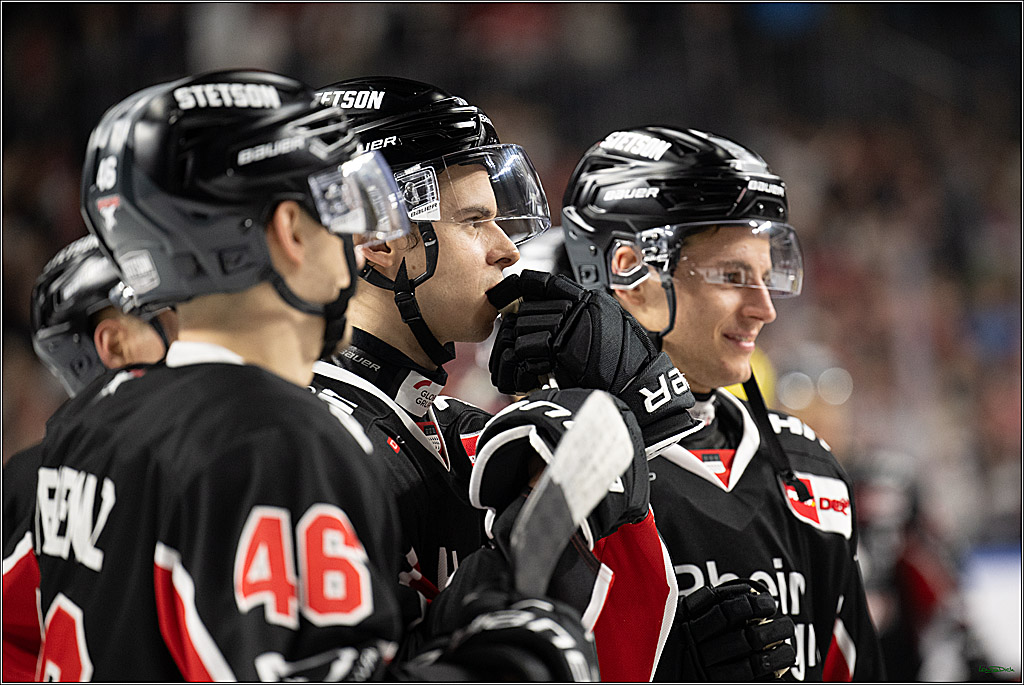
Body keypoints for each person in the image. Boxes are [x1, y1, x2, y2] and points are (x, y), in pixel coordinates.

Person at [2, 69, 597, 682]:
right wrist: (516, 659)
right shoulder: (277, 437)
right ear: (291, 231)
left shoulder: (86, 420)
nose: (358, 236)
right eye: (341, 206)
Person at [310, 77, 791, 682]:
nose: (508, 250)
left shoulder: (460, 432)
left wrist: (668, 662)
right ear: (379, 239)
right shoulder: (310, 441)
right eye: (475, 221)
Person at [541, 125, 886, 680]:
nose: (764, 308)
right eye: (732, 275)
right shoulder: (553, 461)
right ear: (632, 272)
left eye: (766, 277)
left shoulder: (809, 468)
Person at [2, 234, 178, 681]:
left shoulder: (28, 476)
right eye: (169, 317)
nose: (192, 334)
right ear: (114, 346)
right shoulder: (185, 462)